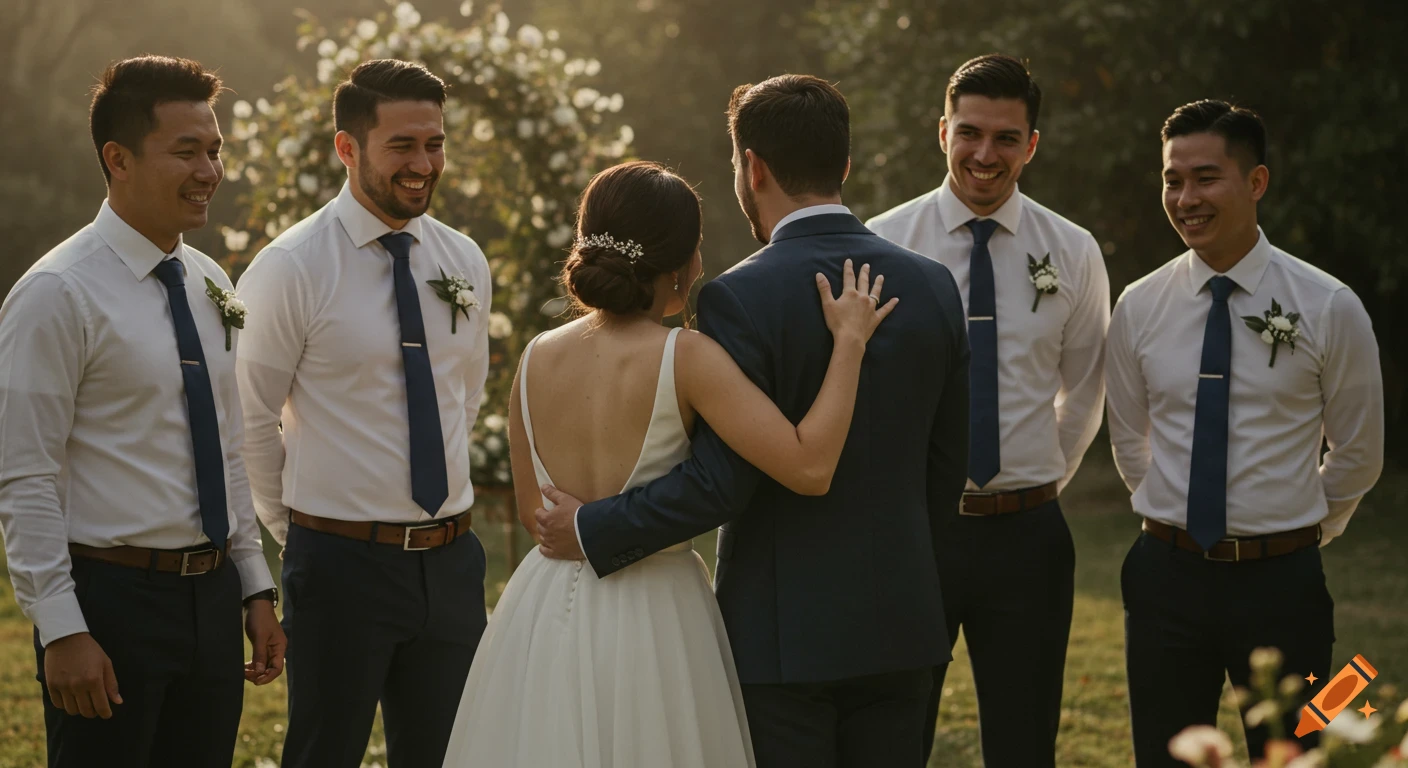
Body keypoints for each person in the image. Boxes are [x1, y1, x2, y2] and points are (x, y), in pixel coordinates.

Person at [533, 75, 971, 768]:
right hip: (904, 627)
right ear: (845, 165)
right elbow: (948, 465)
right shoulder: (932, 284)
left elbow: (718, 482)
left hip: (780, 637)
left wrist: (595, 525)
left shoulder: (738, 296)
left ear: (752, 166)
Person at [442, 159, 896, 766]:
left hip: (543, 611)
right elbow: (809, 466)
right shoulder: (688, 357)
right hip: (655, 614)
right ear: (686, 261)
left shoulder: (535, 356)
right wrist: (849, 345)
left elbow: (539, 518)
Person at [0, 55, 283, 767]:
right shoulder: (56, 294)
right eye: (186, 151)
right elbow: (25, 473)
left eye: (214, 150)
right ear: (117, 159)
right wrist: (62, 629)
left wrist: (253, 585)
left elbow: (224, 446)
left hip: (211, 599)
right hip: (111, 601)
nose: (209, 171)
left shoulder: (210, 281)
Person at [1105, 100, 1383, 765]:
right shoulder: (1139, 305)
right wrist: (1176, 516)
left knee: (1300, 753)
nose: (1184, 197)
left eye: (1205, 177)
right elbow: (1129, 443)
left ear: (1256, 182)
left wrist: (1302, 527)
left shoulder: (1328, 305)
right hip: (1164, 579)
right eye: (1173, 179)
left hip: (1283, 585)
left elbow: (1359, 452)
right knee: (1166, 758)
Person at [234, 59, 492, 767]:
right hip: (340, 565)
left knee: (451, 754)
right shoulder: (292, 267)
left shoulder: (464, 261)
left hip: (452, 564)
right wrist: (307, 535)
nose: (424, 164)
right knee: (324, 753)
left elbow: (462, 396)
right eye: (402, 146)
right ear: (348, 148)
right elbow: (251, 421)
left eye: (435, 143)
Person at [866, 53, 1109, 766]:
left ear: (1031, 145)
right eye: (969, 132)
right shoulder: (882, 241)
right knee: (895, 734)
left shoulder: (1072, 250)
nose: (984, 153)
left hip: (1028, 539)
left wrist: (1037, 482)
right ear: (941, 132)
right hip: (914, 532)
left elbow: (1085, 389)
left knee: (1025, 740)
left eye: (1006, 138)